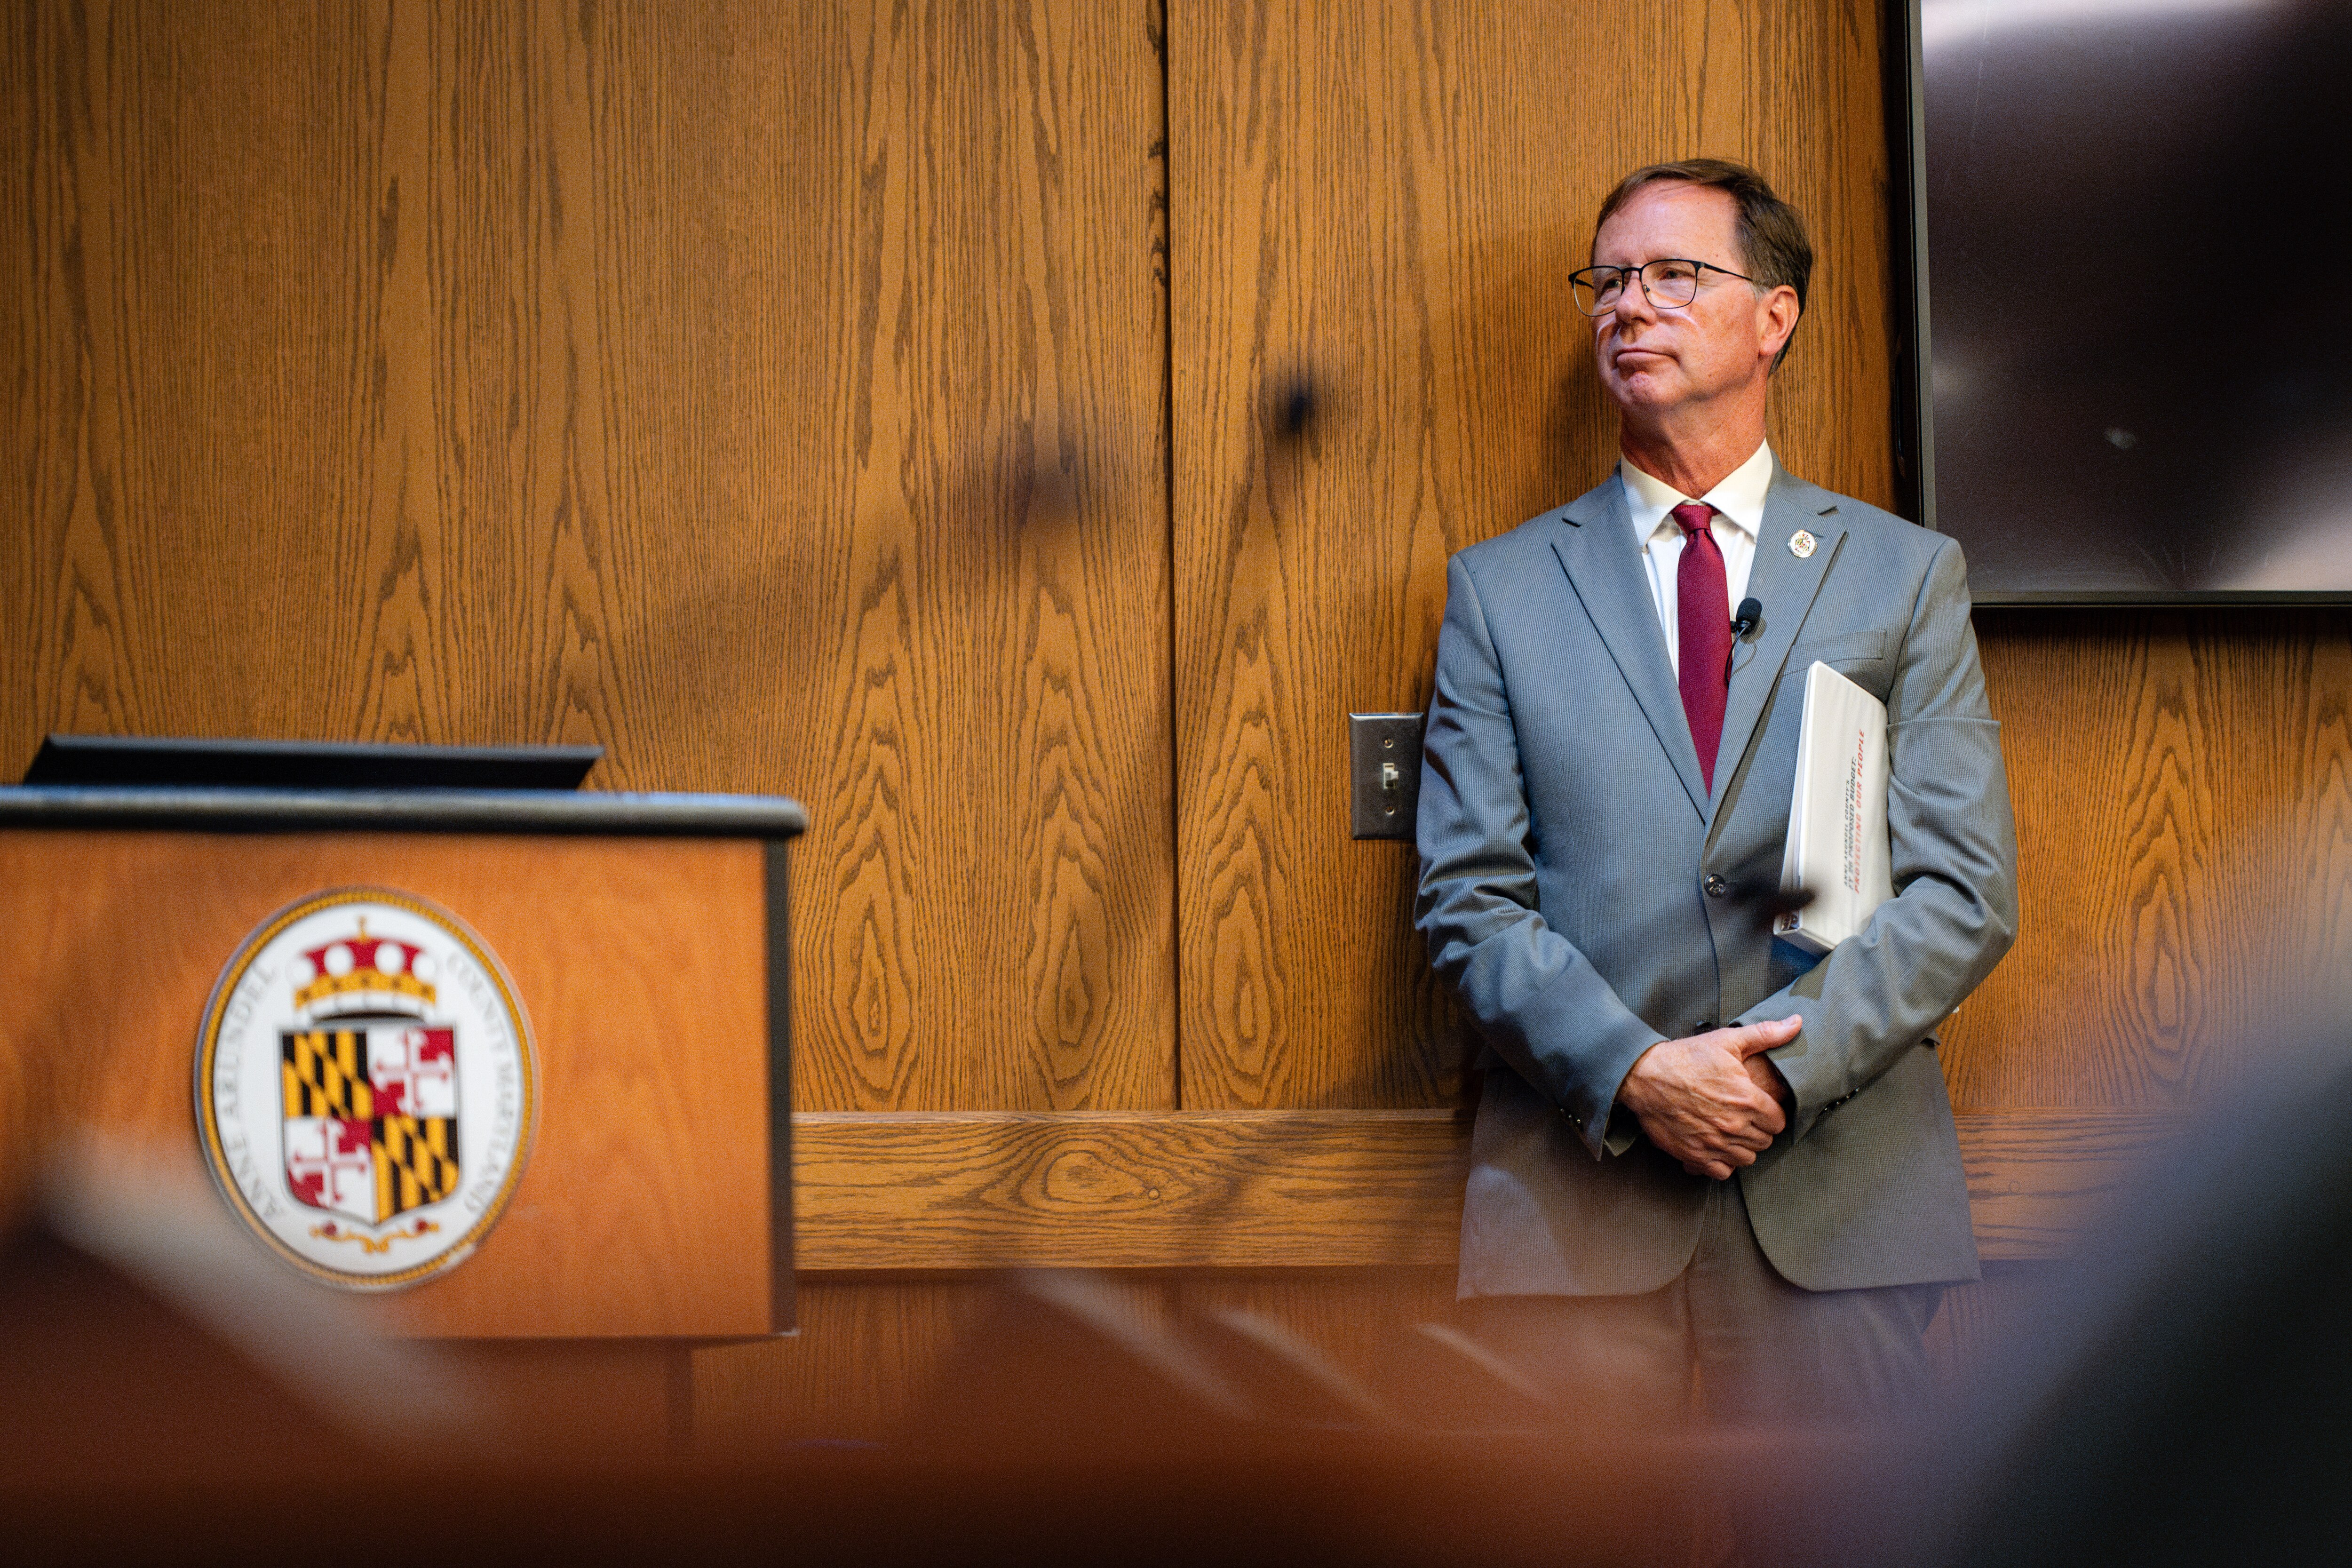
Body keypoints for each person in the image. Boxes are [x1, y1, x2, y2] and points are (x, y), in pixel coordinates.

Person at [1414, 159, 2018, 1423]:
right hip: (1580, 1212)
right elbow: (1467, 902)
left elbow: (1962, 889)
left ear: (1775, 317)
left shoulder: (1902, 580)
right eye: (1609, 281)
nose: (1628, 307)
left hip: (1838, 1206)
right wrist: (1640, 1073)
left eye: (1674, 275)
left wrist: (1775, 1081)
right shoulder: (1502, 590)